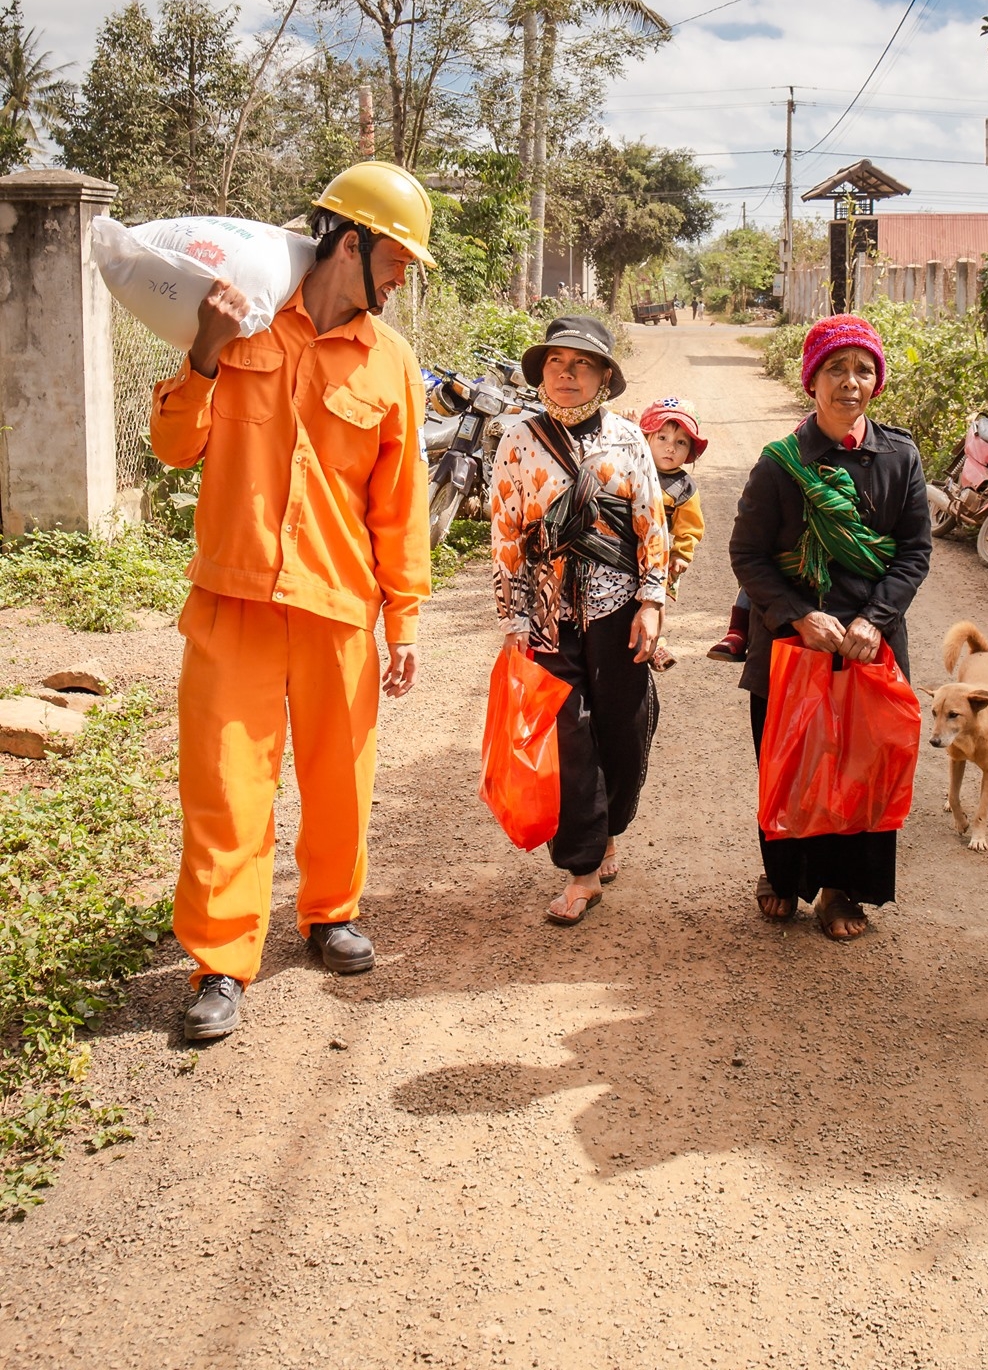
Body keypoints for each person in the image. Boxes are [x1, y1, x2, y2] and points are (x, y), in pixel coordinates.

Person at [150, 162, 435, 1044]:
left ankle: (329, 913)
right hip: (232, 598)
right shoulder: (242, 323)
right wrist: (203, 352)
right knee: (226, 786)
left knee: (341, 778)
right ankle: (221, 962)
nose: (401, 278)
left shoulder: (391, 362)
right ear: (350, 243)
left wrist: (404, 618)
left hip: (338, 602)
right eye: (396, 259)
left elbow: (401, 502)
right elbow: (173, 448)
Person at [729, 315, 932, 939]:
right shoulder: (780, 465)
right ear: (812, 381)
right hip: (794, 641)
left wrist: (875, 619)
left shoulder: (900, 457)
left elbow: (913, 552)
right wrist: (797, 614)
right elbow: (748, 555)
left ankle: (843, 890)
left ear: (877, 382)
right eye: (836, 369)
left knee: (864, 764)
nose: (850, 382)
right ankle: (785, 878)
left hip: (871, 642)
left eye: (863, 370)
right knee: (791, 762)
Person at [490, 315, 669, 924]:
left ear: (604, 377)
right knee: (568, 735)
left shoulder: (627, 438)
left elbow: (651, 522)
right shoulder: (518, 439)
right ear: (542, 373)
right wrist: (514, 620)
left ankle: (609, 824)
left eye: (582, 364)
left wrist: (651, 603)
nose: (567, 374)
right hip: (547, 610)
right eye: (556, 363)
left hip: (618, 606)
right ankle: (582, 869)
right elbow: (507, 533)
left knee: (622, 727)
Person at [639, 396, 707, 670]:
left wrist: (681, 554)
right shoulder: (633, 465)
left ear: (689, 452)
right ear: (645, 438)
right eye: (662, 438)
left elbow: (689, 525)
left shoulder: (683, 487)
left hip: (659, 555)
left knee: (655, 598)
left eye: (681, 443)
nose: (670, 447)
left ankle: (655, 643)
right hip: (624, 545)